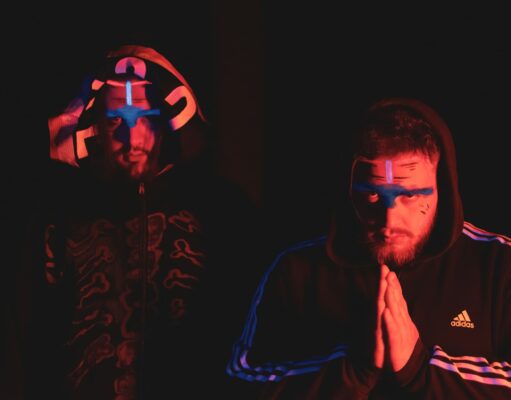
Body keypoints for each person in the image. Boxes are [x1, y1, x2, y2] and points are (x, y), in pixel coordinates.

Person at [13, 44, 260, 399]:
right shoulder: (60, 214)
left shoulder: (219, 209)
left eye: (146, 117)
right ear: (94, 124)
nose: (133, 137)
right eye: (116, 119)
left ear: (169, 120)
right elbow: (31, 333)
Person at [227, 98, 511, 399]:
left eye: (410, 195)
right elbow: (238, 382)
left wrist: (420, 368)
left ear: (443, 186)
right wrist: (351, 370)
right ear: (349, 188)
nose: (389, 220)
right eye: (372, 194)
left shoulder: (498, 264)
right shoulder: (297, 270)